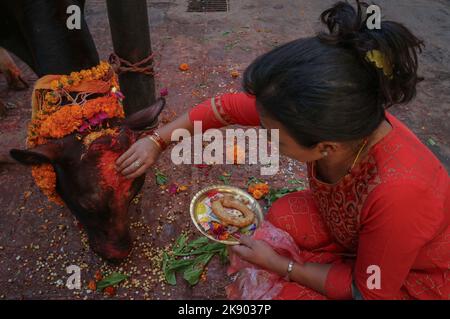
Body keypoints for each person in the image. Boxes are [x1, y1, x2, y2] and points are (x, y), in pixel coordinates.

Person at [115, 1, 449, 299]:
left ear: (325, 148)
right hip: (356, 234)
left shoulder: (400, 194)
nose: (264, 138)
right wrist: (156, 140)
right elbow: (226, 108)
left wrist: (281, 265)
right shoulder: (327, 114)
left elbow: (366, 292)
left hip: (412, 277)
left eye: (272, 136)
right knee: (281, 216)